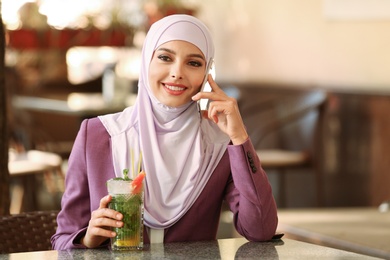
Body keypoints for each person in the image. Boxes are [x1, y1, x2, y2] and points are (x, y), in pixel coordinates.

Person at [51, 14, 278, 250]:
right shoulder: (99, 135)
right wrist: (88, 238)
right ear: (146, 61)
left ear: (207, 75)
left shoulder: (218, 146)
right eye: (164, 58)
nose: (177, 72)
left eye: (193, 63)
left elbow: (260, 230)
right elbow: (62, 240)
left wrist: (240, 137)